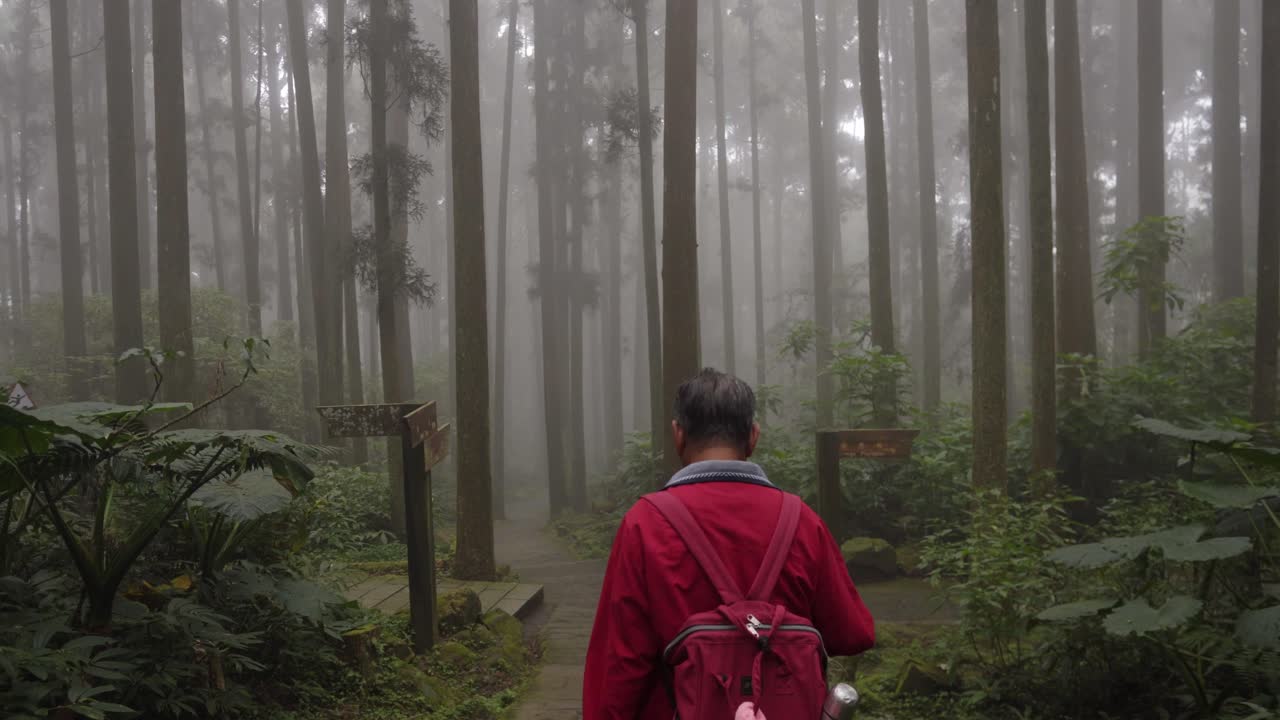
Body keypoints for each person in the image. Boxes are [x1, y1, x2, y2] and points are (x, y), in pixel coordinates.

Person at [582, 368, 875, 720]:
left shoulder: (644, 524)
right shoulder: (801, 521)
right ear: (753, 436)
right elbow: (853, 633)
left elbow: (618, 668)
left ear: (678, 435)